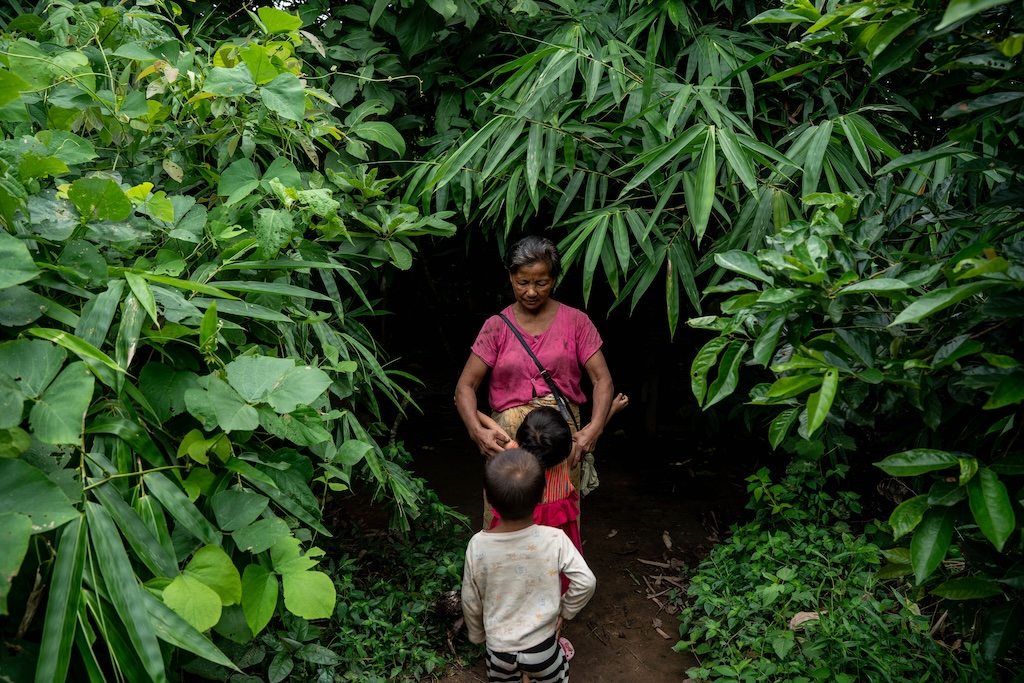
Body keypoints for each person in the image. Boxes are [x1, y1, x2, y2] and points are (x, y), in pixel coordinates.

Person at [455, 235, 615, 528]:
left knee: (559, 521)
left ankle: (558, 573)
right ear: (510, 277)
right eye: (522, 282)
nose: (531, 292)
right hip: (507, 443)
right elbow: (465, 387)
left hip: (562, 441)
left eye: (541, 283)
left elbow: (602, 379)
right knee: (505, 521)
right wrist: (476, 431)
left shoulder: (576, 322)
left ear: (554, 279)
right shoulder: (496, 327)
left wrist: (594, 428)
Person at [461, 449, 597, 683]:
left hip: (499, 649)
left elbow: (470, 599)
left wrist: (476, 634)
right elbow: (587, 581)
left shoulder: (478, 545)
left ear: (487, 495)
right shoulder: (554, 539)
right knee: (558, 674)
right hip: (543, 646)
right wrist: (566, 610)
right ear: (543, 494)